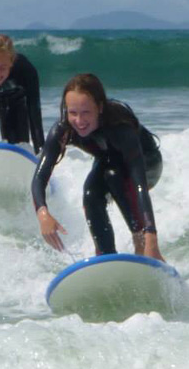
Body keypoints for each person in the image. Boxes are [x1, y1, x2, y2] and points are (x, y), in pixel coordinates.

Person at [31, 73, 165, 261]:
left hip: (147, 163)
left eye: (86, 112)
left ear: (99, 108)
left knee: (113, 175)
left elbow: (139, 183)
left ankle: (141, 242)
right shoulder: (63, 130)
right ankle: (105, 256)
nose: (79, 120)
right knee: (90, 192)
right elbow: (39, 177)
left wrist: (151, 235)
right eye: (72, 112)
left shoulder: (120, 128)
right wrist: (42, 213)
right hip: (109, 161)